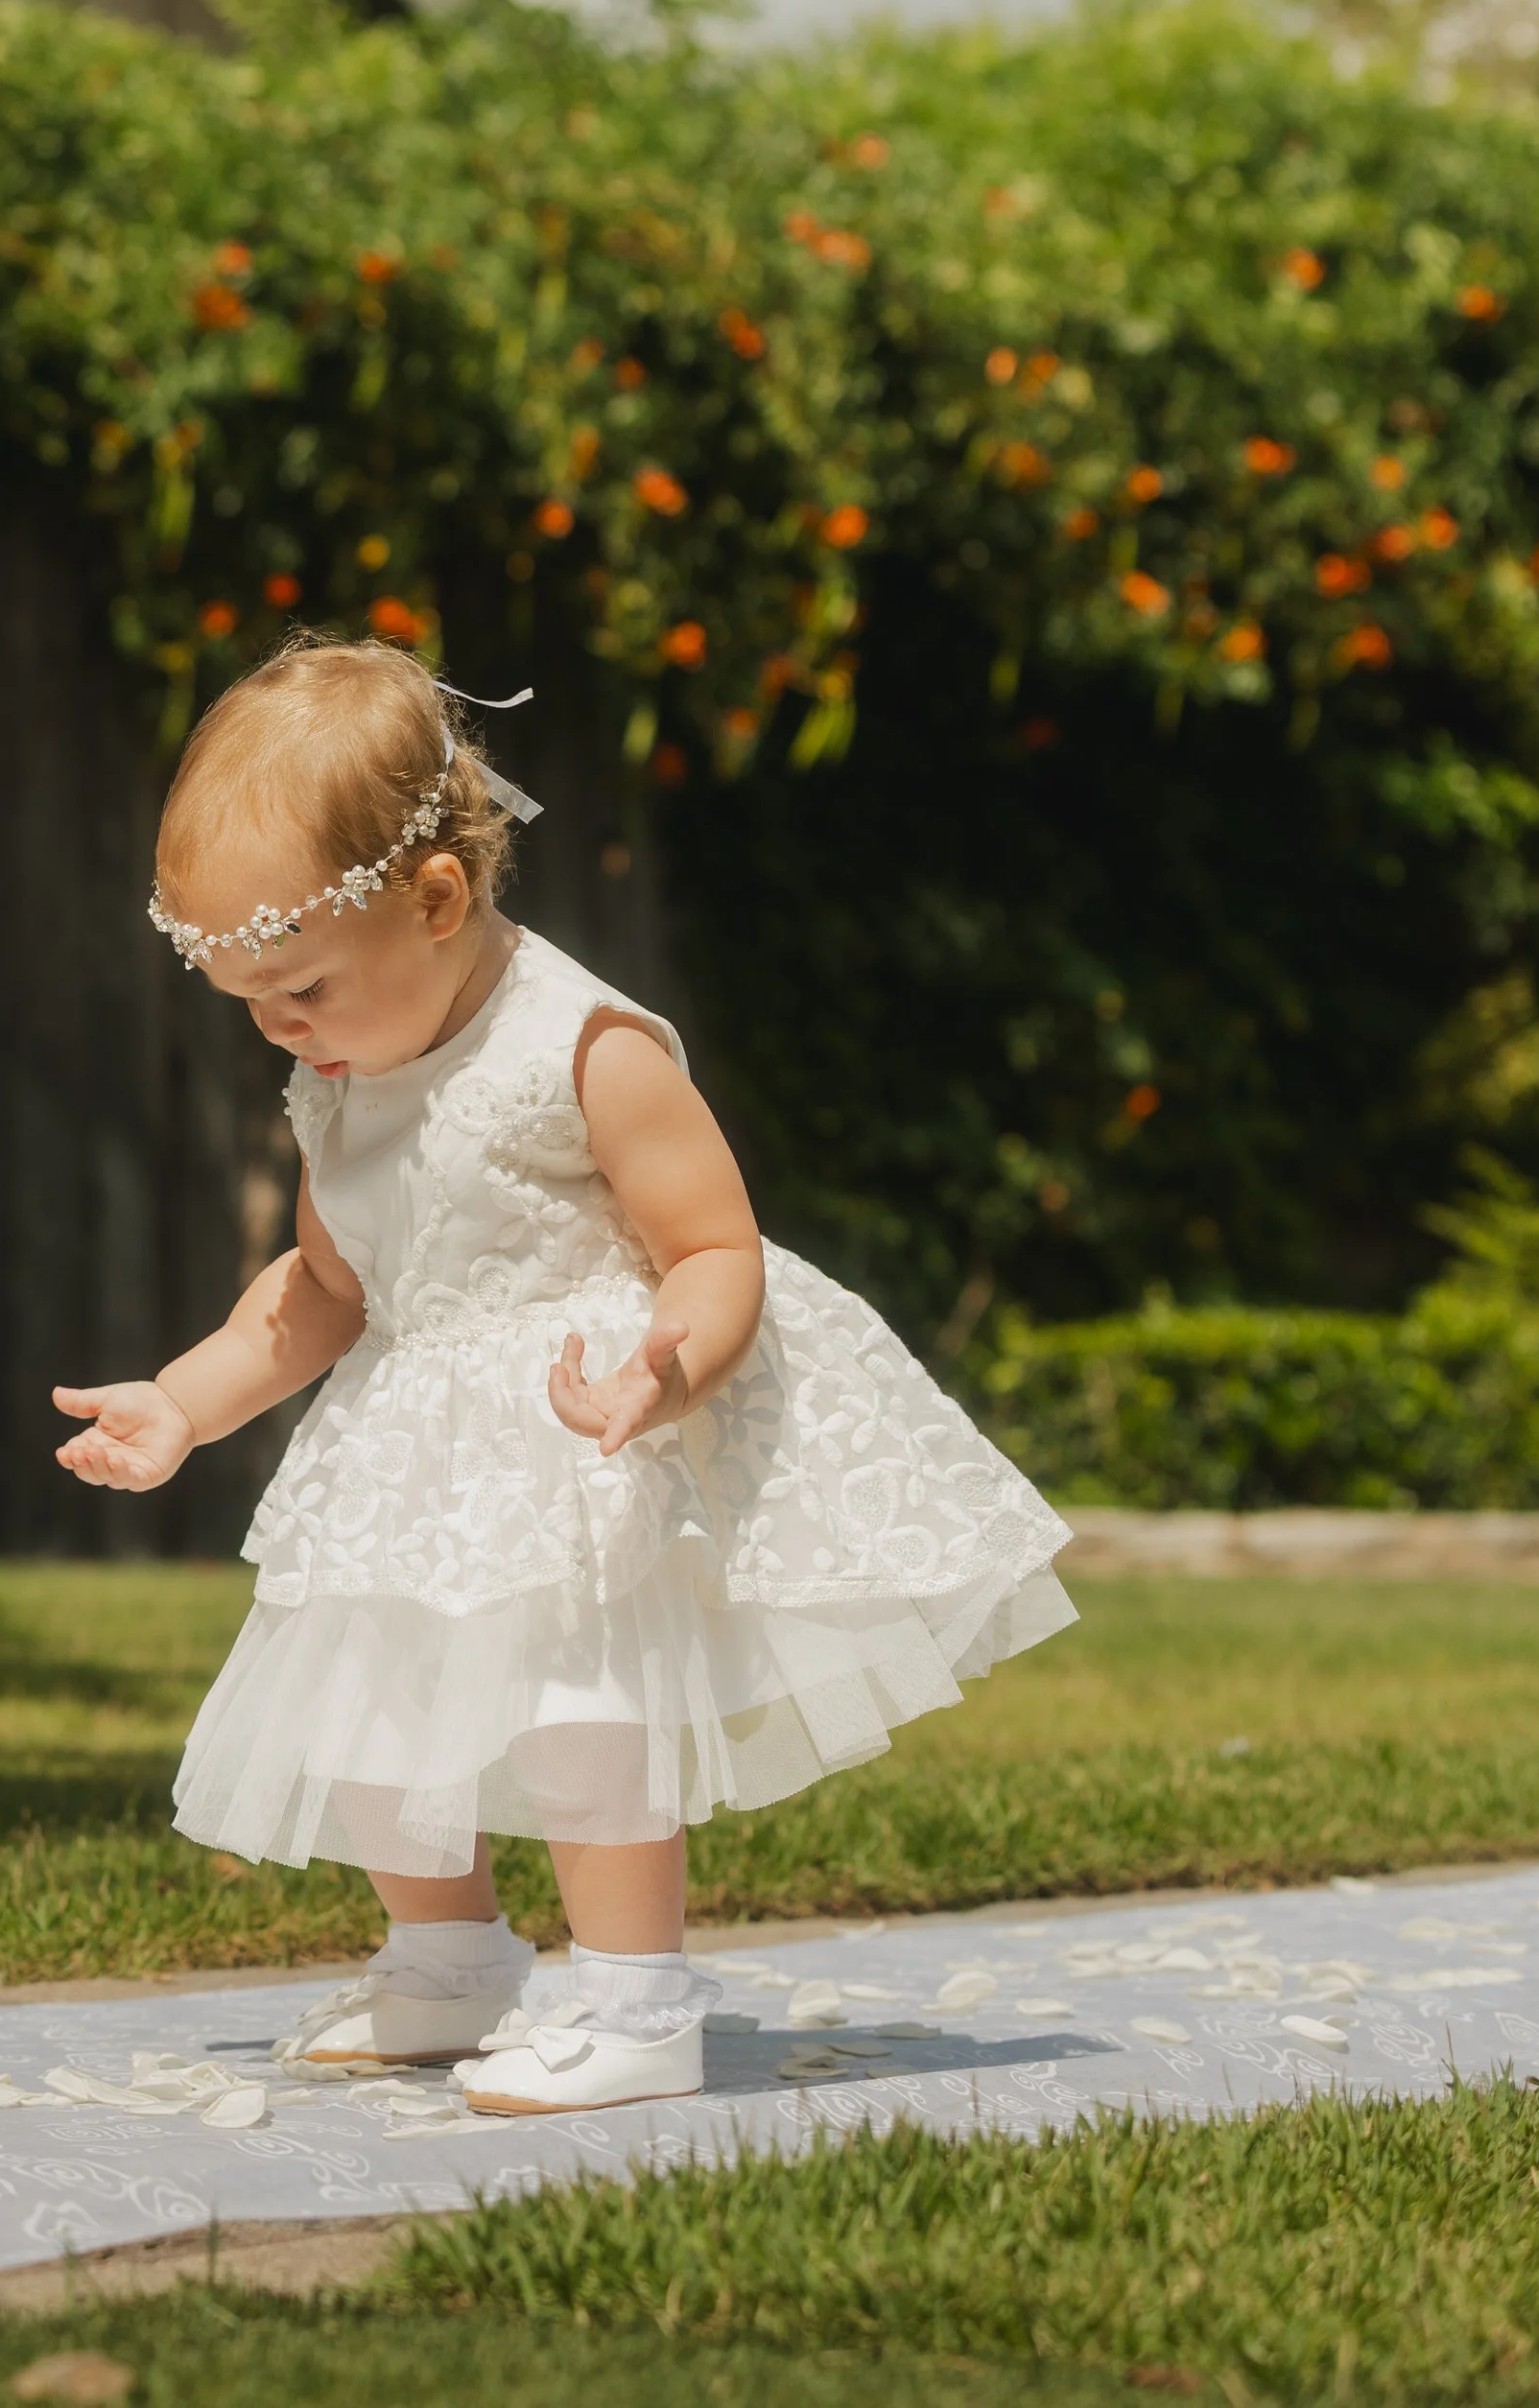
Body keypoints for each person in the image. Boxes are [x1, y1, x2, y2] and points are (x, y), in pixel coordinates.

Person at [54, 635, 1075, 2115]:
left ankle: (636, 1998)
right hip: (412, 1460)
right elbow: (327, 1288)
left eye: (302, 989)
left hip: (577, 1439)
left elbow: (716, 1245)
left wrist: (670, 1366)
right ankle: (448, 1957)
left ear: (436, 898)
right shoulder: (339, 1076)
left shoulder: (582, 1047)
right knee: (379, 1717)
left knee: (587, 1728)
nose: (280, 1029)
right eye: (248, 999)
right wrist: (185, 1397)